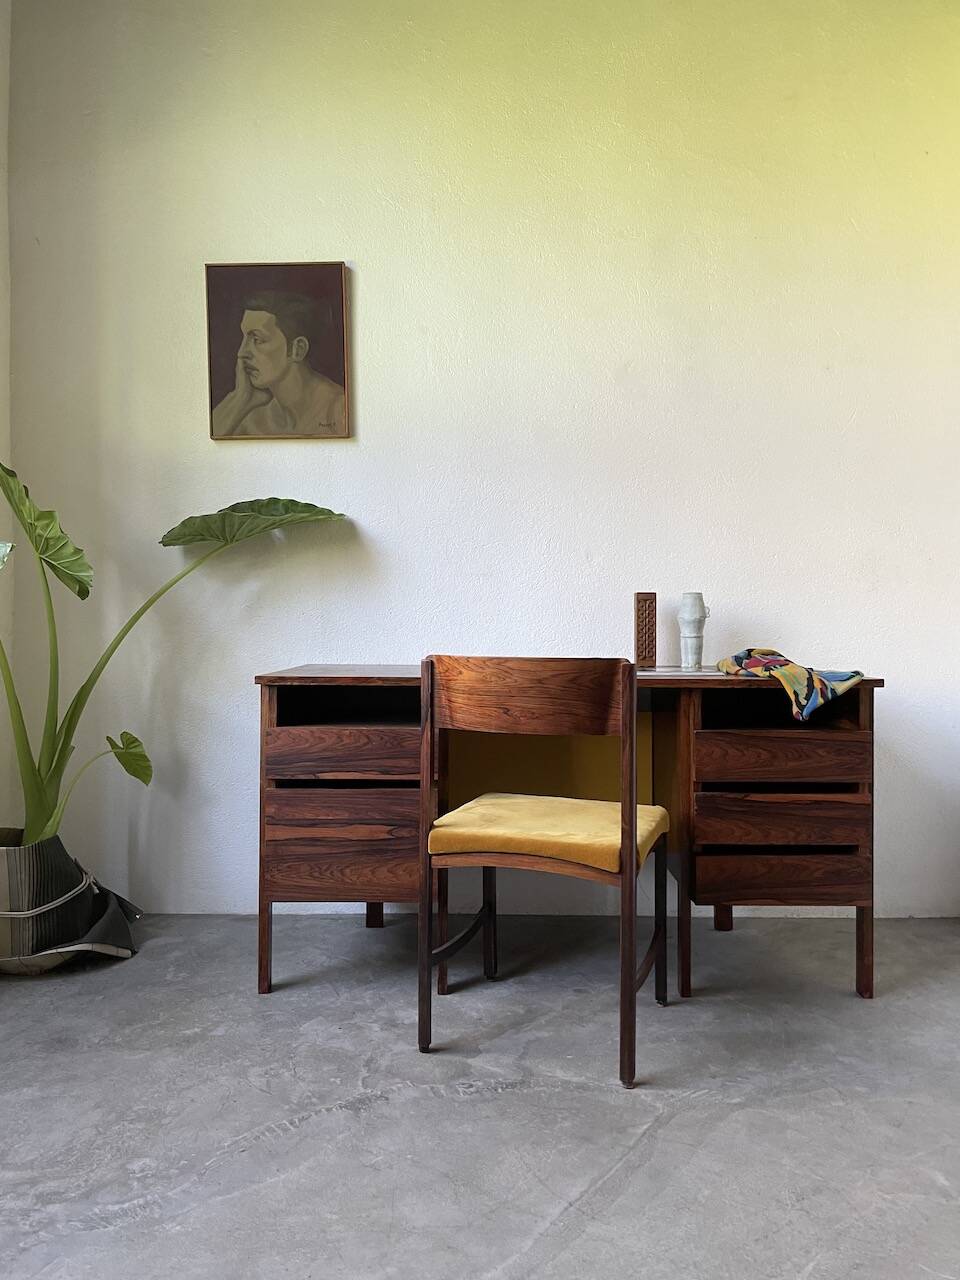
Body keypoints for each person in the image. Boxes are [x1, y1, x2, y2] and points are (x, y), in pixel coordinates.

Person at [211, 291, 346, 437]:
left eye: (257, 339)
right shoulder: (251, 419)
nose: (242, 353)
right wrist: (239, 398)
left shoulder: (341, 411)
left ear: (298, 349)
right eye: (244, 338)